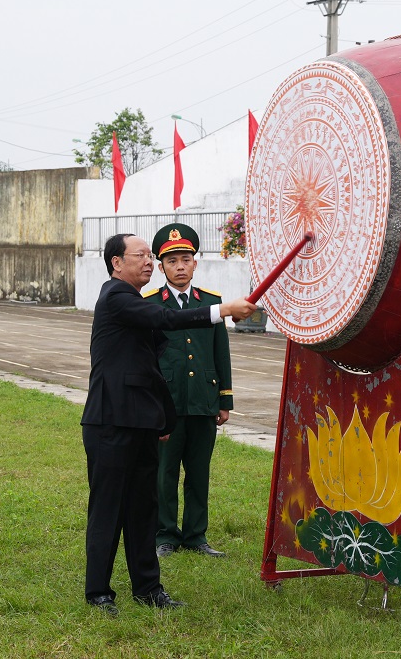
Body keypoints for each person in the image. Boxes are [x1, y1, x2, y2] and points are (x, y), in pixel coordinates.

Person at [80, 233, 256, 617]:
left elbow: (151, 369)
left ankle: (148, 588)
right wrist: (221, 311)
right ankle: (98, 593)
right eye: (141, 256)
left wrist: (163, 417)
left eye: (148, 256)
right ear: (116, 263)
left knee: (144, 509)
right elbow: (165, 317)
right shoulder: (116, 297)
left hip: (141, 423)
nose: (148, 262)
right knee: (108, 510)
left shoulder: (132, 304)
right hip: (110, 423)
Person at [145, 224, 232, 559]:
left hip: (202, 400)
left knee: (199, 472)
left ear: (195, 263)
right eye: (172, 261)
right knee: (164, 475)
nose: (179, 266)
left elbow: (220, 353)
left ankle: (196, 535)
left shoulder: (211, 303)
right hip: (166, 404)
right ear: (161, 267)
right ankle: (165, 534)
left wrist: (224, 400)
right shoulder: (150, 304)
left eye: (185, 259)